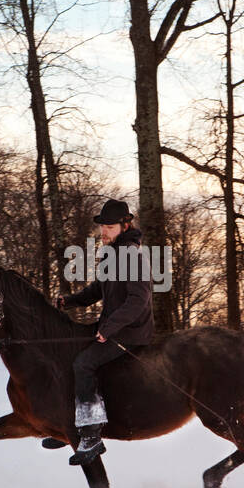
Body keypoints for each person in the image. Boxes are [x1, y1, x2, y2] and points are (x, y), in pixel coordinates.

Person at [55, 199, 153, 464]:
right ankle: (72, 423)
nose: (104, 232)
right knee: (70, 355)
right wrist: (70, 301)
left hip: (131, 332)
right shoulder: (114, 254)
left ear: (125, 225)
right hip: (113, 328)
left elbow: (138, 301)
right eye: (102, 227)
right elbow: (98, 290)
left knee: (84, 364)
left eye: (110, 227)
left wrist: (108, 329)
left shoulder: (132, 255)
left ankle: (91, 434)